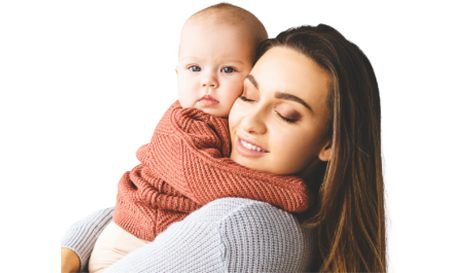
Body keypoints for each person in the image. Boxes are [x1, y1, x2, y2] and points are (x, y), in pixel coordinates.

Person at [61, 23, 394, 273]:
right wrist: (72, 248)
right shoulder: (322, 221)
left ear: (331, 143)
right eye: (247, 96)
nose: (250, 122)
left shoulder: (240, 226)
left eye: (286, 114)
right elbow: (152, 186)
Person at [81, 4, 271, 273]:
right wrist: (288, 190)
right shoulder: (184, 125)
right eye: (194, 68)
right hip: (126, 247)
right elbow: (210, 179)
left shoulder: (230, 125)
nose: (208, 81)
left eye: (227, 70)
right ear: (177, 73)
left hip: (159, 243)